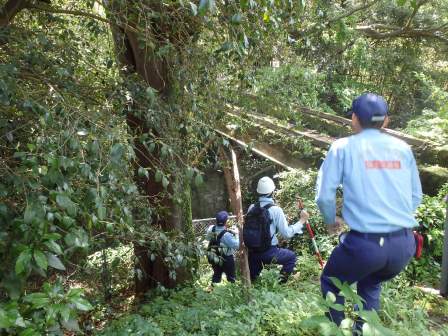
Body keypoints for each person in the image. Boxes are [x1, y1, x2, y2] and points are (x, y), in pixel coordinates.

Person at [315, 93, 422, 331]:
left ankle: (338, 331)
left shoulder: (342, 147)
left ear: (354, 118)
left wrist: (331, 221)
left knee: (331, 283)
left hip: (366, 245)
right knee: (370, 283)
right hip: (403, 245)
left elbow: (324, 196)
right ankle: (365, 331)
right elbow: (416, 197)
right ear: (386, 121)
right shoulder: (403, 149)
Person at [246, 176, 309, 283]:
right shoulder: (276, 210)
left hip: (252, 253)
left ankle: (254, 287)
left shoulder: (252, 207)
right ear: (272, 191)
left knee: (254, 282)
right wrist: (302, 220)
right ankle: (280, 285)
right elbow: (287, 234)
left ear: (258, 191)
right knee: (291, 257)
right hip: (269, 252)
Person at [205, 211, 239, 284]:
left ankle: (211, 292)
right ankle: (233, 292)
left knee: (216, 275)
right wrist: (237, 234)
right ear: (226, 222)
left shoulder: (211, 228)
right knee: (231, 277)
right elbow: (236, 245)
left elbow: (207, 238)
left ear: (216, 220)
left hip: (214, 257)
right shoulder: (226, 235)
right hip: (226, 258)